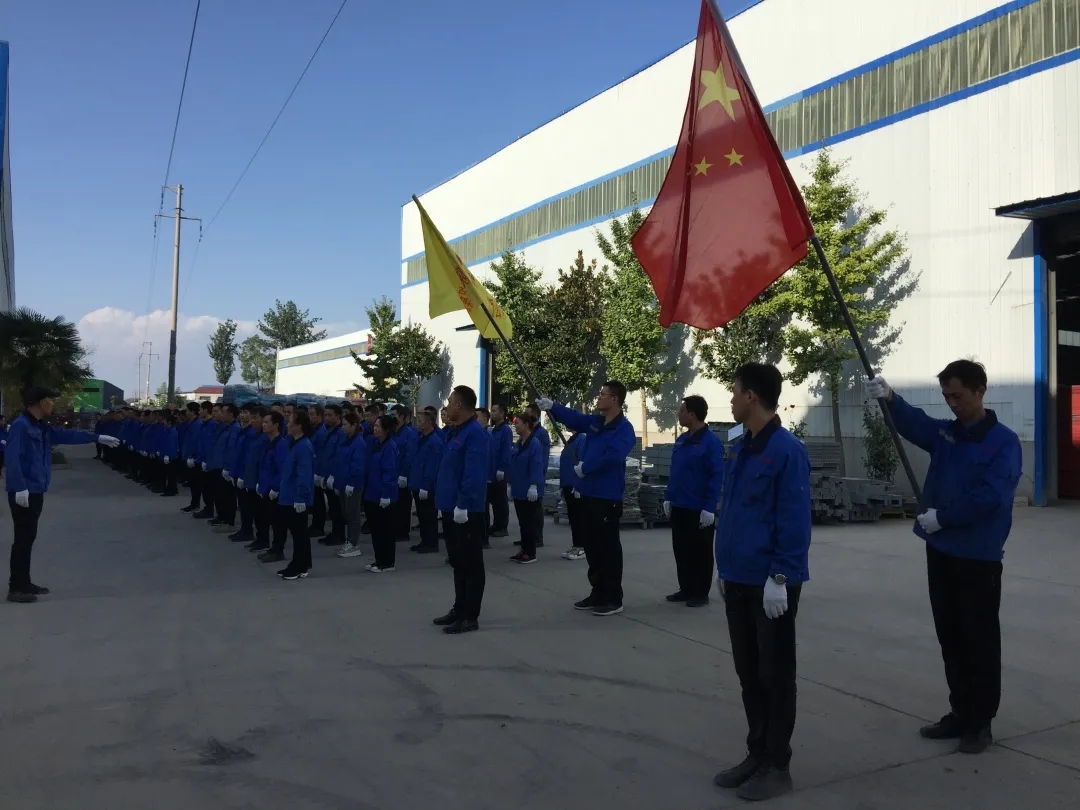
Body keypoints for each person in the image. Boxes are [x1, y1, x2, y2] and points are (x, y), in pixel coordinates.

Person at [866, 361, 1022, 755]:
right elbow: (917, 424)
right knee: (950, 634)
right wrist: (890, 398)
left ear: (979, 391)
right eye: (946, 396)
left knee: (978, 639)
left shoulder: (1003, 443)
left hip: (978, 556)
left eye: (958, 395)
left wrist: (944, 518)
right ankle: (960, 711)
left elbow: (991, 497)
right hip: (941, 550)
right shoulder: (947, 434)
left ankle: (980, 722)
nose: (952, 403)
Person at [711, 363, 810, 802]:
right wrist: (724, 566)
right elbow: (733, 508)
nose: (731, 400)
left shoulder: (786, 451)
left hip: (770, 583)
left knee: (775, 675)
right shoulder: (741, 447)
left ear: (751, 396)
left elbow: (794, 519)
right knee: (749, 674)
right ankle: (757, 752)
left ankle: (777, 764)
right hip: (738, 576)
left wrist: (780, 577)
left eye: (734, 392)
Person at [4, 387, 121, 603]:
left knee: (28, 538)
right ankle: (16, 588)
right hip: (25, 492)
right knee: (22, 539)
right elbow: (12, 458)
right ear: (40, 402)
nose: (53, 403)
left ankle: (24, 582)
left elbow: (67, 435)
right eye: (50, 399)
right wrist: (19, 487)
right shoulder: (21, 426)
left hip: (35, 490)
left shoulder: (39, 425)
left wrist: (96, 437)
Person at [536, 381, 635, 616]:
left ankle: (613, 597)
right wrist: (553, 407)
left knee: (608, 548)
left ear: (615, 399)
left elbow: (613, 456)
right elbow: (575, 418)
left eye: (603, 394)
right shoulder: (596, 423)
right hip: (588, 493)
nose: (599, 397)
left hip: (607, 496)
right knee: (591, 547)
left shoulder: (624, 429)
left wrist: (586, 467)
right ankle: (598, 591)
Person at [433, 386, 489, 634]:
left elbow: (473, 474)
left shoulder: (474, 434)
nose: (446, 406)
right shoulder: (456, 431)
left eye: (450, 401)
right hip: (450, 506)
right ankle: (459, 608)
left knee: (471, 564)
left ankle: (469, 616)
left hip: (465, 510)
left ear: (459, 405)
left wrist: (463, 504)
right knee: (458, 562)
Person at [663, 395, 725, 607]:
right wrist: (668, 497)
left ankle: (700, 593)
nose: (678, 414)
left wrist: (709, 507)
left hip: (698, 508)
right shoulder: (682, 440)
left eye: (681, 411)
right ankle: (686, 588)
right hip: (679, 504)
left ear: (692, 414)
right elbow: (675, 472)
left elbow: (716, 476)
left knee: (700, 552)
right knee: (681, 550)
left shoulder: (711, 443)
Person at [277, 410, 315, 580]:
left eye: (290, 421)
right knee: (297, 532)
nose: (287, 424)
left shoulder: (304, 446)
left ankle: (300, 566)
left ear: (299, 426)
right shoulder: (293, 443)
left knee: (299, 533)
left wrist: (300, 498)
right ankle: (299, 563)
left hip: (296, 497)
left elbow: (304, 474)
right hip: (289, 494)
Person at [508, 411, 546, 564]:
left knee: (529, 523)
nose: (515, 426)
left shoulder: (534, 443)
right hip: (519, 489)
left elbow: (536, 465)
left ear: (526, 425)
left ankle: (530, 553)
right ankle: (524, 550)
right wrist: (510, 483)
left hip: (529, 490)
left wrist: (534, 485)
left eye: (517, 423)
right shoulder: (519, 443)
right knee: (523, 523)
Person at [364, 414, 400, 573]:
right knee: (376, 530)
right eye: (375, 426)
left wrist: (386, 494)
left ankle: (388, 562)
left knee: (385, 531)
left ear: (386, 429)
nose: (375, 428)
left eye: (378, 426)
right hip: (373, 492)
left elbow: (389, 472)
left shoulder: (389, 446)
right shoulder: (376, 444)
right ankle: (379, 560)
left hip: (384, 495)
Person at [333, 410, 368, 559]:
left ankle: (353, 543)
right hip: (343, 483)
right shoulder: (345, 440)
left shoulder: (358, 442)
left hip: (353, 485)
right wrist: (336, 481)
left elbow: (358, 465)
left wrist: (352, 483)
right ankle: (349, 540)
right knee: (346, 514)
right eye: (342, 424)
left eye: (345, 424)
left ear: (354, 425)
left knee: (353, 515)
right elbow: (339, 462)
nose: (343, 427)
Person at [410, 409, 445, 554]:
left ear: (429, 423)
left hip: (427, 486)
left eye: (420, 421)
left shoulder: (434, 441)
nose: (418, 424)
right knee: (422, 515)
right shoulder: (421, 438)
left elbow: (432, 466)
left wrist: (426, 485)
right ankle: (424, 540)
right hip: (418, 483)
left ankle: (431, 543)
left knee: (429, 515)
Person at [256, 412, 289, 563]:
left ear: (276, 425)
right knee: (268, 518)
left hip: (275, 490)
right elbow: (264, 466)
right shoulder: (268, 442)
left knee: (278, 522)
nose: (263, 425)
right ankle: (273, 548)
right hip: (266, 487)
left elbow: (281, 469)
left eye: (267, 422)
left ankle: (278, 550)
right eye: (263, 422)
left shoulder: (281, 444)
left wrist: (275, 487)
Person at [238, 406, 270, 548]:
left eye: (255, 418)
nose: (252, 421)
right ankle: (258, 538)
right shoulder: (254, 435)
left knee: (262, 513)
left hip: (259, 481)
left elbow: (264, 463)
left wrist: (261, 481)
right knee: (254, 511)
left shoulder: (265, 438)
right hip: (251, 479)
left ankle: (264, 540)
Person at [208, 404, 241, 533]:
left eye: (223, 412)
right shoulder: (223, 426)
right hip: (217, 464)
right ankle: (222, 517)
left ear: (231, 414)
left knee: (228, 496)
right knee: (219, 494)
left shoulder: (235, 428)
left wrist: (227, 467)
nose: (220, 414)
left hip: (224, 466)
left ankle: (229, 522)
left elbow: (231, 449)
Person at [317, 404, 346, 547]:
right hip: (327, 473)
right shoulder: (328, 431)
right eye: (326, 415)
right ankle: (335, 532)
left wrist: (334, 475)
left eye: (330, 415)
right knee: (332, 507)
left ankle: (340, 535)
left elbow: (339, 456)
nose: (327, 418)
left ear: (338, 416)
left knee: (337, 507)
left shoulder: (341, 432)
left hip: (336, 476)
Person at [391, 404, 418, 543]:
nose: (392, 418)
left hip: (403, 475)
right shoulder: (393, 432)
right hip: (393, 474)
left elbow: (409, 455)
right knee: (395, 504)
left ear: (402, 417)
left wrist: (404, 474)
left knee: (403, 504)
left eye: (394, 415)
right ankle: (396, 529)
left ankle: (403, 532)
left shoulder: (408, 433)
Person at [558, 430, 586, 561]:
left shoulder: (581, 439)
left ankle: (582, 547)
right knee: (573, 518)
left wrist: (579, 485)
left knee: (580, 518)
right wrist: (562, 485)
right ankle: (576, 545)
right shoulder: (571, 440)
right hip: (568, 484)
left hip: (576, 486)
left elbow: (582, 463)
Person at [487, 403, 512, 539]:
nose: (492, 413)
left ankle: (502, 527)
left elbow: (506, 450)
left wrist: (502, 468)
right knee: (494, 500)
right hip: (492, 470)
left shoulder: (505, 430)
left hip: (500, 470)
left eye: (495, 411)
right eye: (492, 410)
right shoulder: (493, 430)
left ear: (502, 413)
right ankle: (496, 525)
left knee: (501, 500)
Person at [180, 402, 205, 513]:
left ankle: (195, 504)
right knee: (193, 483)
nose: (186, 412)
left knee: (196, 483)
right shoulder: (192, 423)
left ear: (192, 411)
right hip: (190, 457)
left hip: (194, 459)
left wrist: (192, 457)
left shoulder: (197, 424)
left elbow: (196, 442)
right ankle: (193, 504)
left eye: (187, 410)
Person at [159, 411, 180, 498]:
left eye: (165, 420)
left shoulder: (173, 431)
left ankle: (171, 490)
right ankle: (172, 489)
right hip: (167, 455)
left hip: (171, 456)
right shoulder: (167, 430)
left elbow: (171, 445)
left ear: (169, 422)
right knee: (169, 473)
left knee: (171, 474)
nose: (163, 422)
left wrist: (168, 455)